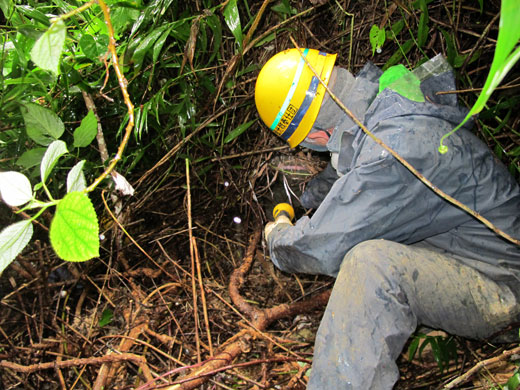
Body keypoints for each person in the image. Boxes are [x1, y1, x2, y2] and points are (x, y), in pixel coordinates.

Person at [254, 48, 520, 389]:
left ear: (318, 136)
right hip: (477, 259)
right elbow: (349, 172)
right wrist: (301, 197)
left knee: (370, 266)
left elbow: (322, 246)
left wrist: (277, 235)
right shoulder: (389, 109)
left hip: (504, 287)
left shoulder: (393, 152)